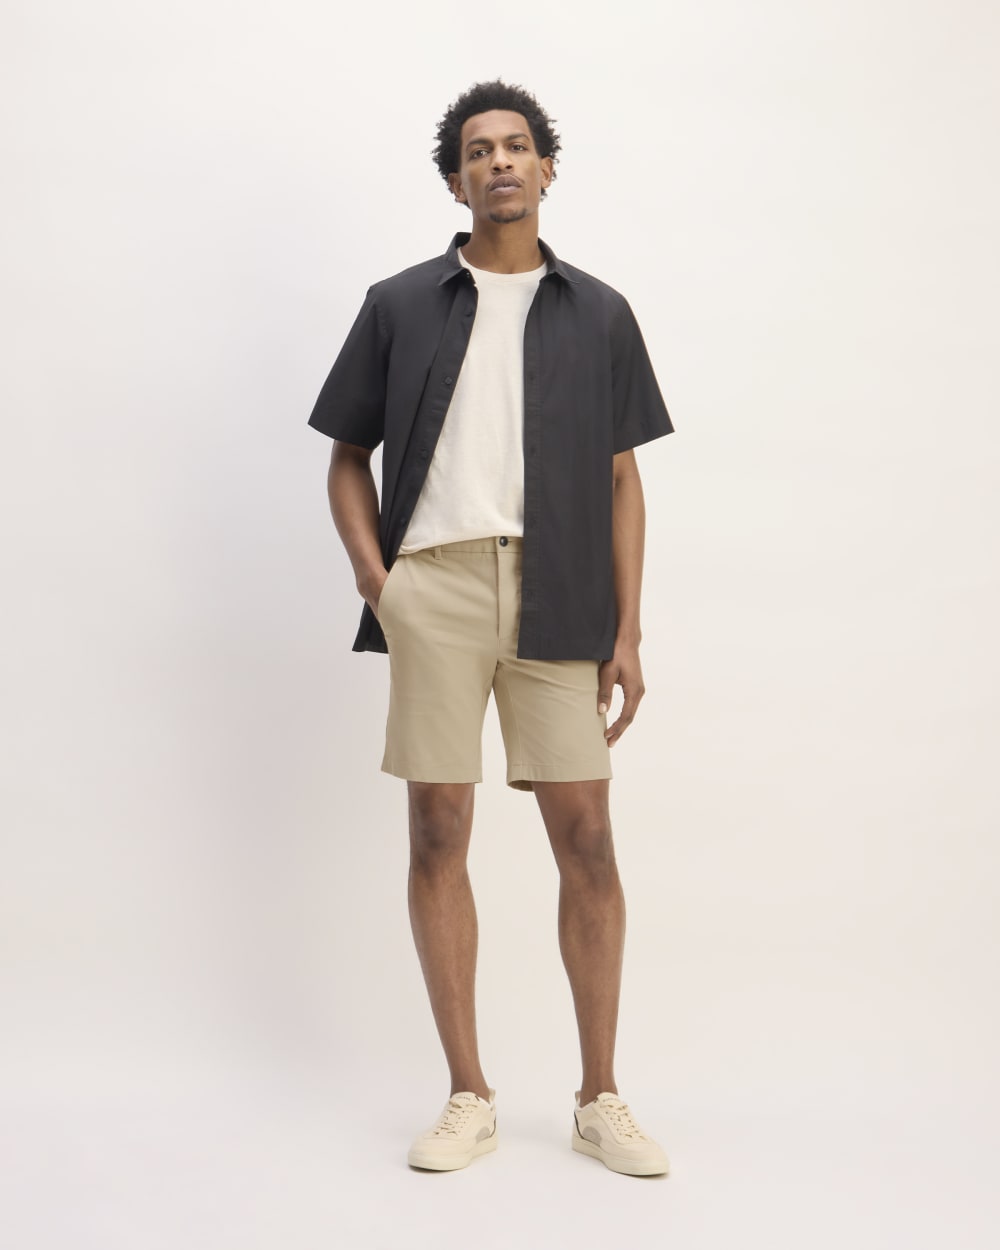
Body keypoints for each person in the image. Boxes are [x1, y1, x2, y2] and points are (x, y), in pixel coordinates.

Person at [308, 80, 674, 1176]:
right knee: (436, 830)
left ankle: (600, 1096)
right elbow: (346, 456)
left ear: (547, 169)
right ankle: (467, 1092)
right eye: (479, 150)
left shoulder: (600, 312)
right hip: (436, 585)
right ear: (455, 179)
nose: (500, 162)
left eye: (518, 146)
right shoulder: (398, 304)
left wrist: (629, 631)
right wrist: (380, 581)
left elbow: (622, 478)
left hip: (564, 589)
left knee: (587, 839)